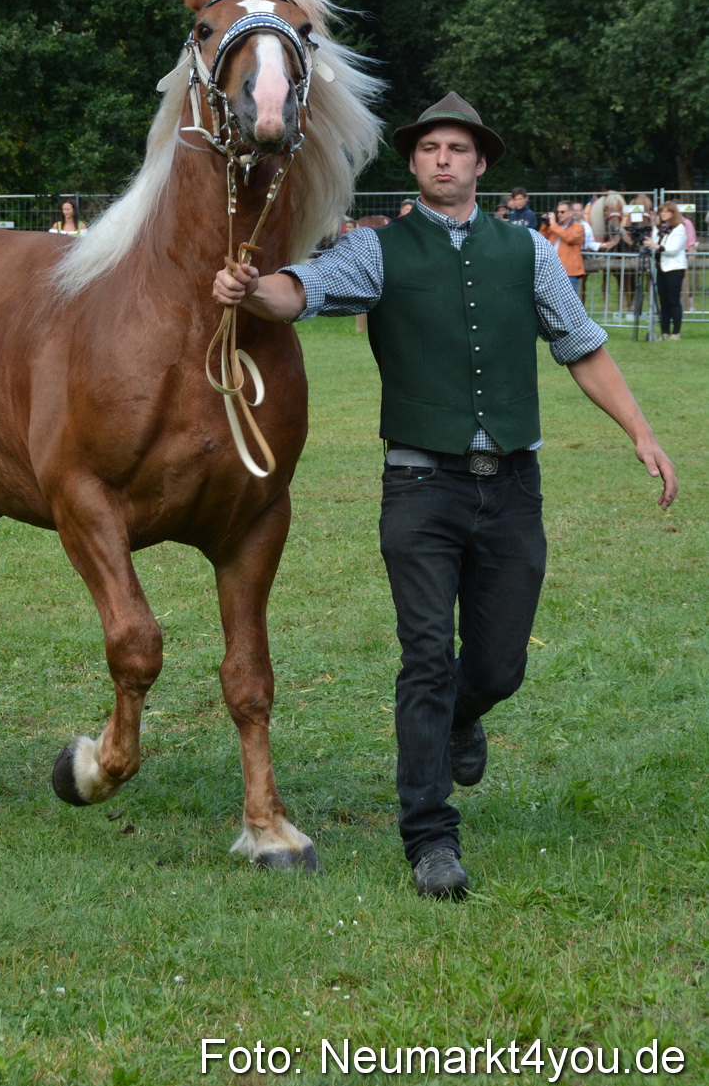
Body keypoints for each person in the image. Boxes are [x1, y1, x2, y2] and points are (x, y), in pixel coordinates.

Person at [212, 91, 677, 901]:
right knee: (425, 657)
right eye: (429, 148)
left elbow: (581, 346)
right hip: (419, 489)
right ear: (415, 163)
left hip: (512, 490)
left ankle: (467, 716)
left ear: (480, 164)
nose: (442, 159)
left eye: (457, 149)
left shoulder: (527, 253)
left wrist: (640, 432)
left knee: (496, 665)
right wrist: (252, 291)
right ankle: (429, 838)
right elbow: (300, 289)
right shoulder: (377, 251)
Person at [644, 203, 688, 339]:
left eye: (667, 212)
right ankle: (665, 332)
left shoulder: (680, 228)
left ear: (673, 213)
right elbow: (655, 246)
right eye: (662, 211)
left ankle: (676, 332)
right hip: (661, 267)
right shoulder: (660, 229)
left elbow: (672, 250)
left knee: (673, 300)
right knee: (663, 301)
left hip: (674, 268)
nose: (663, 214)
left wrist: (655, 245)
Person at [544, 201, 586, 296]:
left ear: (571, 212)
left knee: (569, 305)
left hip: (568, 273)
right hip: (551, 271)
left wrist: (554, 225)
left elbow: (570, 238)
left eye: (562, 212)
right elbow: (541, 239)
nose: (559, 215)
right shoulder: (555, 227)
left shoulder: (578, 227)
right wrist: (545, 225)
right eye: (558, 212)